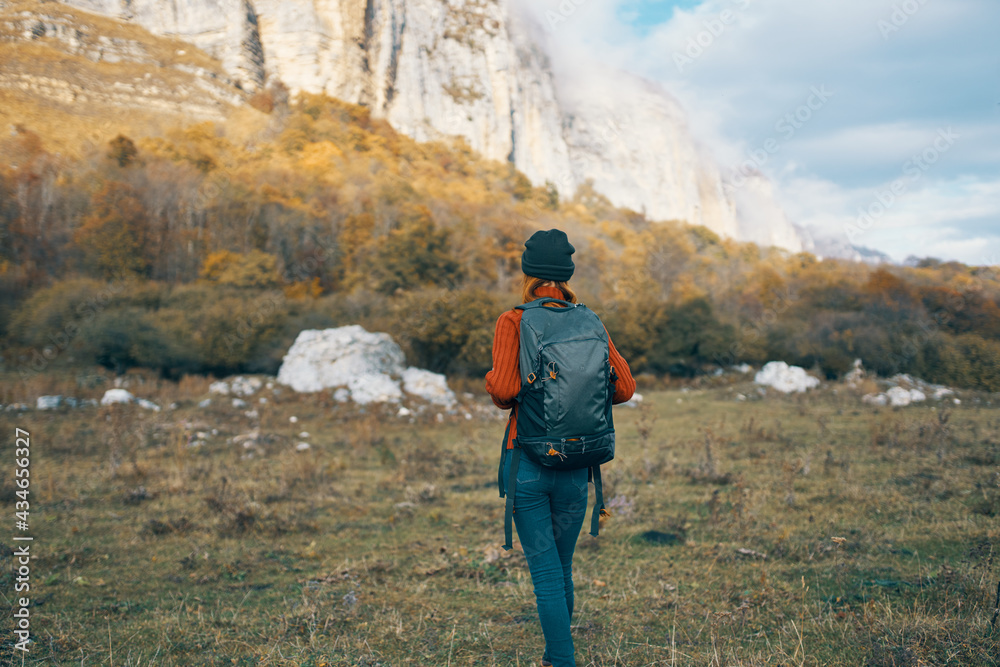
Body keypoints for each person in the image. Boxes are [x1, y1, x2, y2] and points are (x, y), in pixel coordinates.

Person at [485, 228, 636, 667]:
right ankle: (559, 654)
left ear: (528, 272)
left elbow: (505, 389)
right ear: (567, 274)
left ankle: (560, 659)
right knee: (562, 568)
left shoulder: (514, 320)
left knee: (545, 573)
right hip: (578, 464)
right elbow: (624, 388)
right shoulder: (590, 320)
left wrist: (497, 382)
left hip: (528, 461)